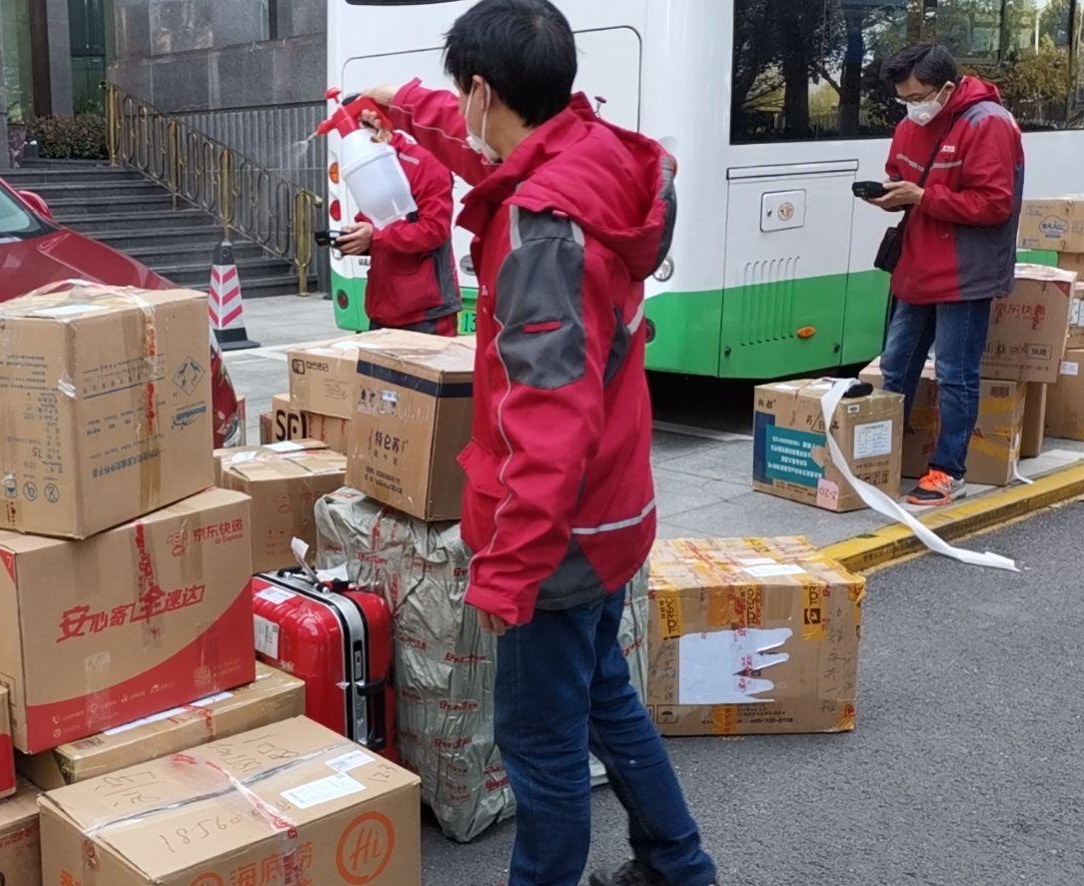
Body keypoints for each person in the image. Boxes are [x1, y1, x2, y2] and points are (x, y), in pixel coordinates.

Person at [358, 1, 716, 884]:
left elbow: (548, 419)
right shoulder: (591, 151)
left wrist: (509, 571)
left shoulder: (539, 234)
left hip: (558, 542)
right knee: (606, 701)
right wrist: (401, 103)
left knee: (540, 749)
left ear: (485, 90)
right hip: (613, 512)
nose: (462, 115)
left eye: (461, 96)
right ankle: (678, 864)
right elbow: (488, 148)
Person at [866, 43, 1024, 507]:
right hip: (918, 266)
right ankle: (876, 460)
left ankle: (948, 471)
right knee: (895, 368)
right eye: (904, 99)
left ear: (948, 87)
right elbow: (901, 174)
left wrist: (922, 197)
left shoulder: (988, 123)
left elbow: (995, 204)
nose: (913, 108)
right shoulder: (909, 125)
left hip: (966, 273)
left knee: (956, 374)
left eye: (919, 96)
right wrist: (893, 195)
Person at [334, 129, 463, 335]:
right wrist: (358, 239)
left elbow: (435, 230)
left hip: (425, 312)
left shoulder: (425, 163)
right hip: (383, 307)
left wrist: (375, 236)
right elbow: (373, 222)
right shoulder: (373, 164)